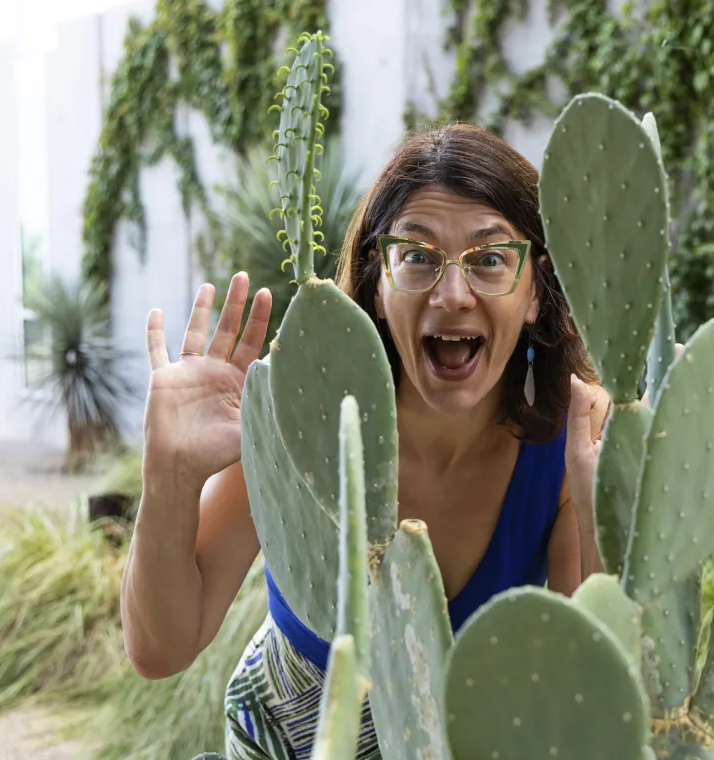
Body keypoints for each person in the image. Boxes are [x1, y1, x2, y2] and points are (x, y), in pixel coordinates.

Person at [119, 123, 618, 759]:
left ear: (535, 294)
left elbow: (587, 697)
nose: (453, 293)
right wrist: (170, 477)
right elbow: (161, 648)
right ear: (376, 286)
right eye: (417, 256)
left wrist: (613, 514)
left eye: (491, 259)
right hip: (285, 740)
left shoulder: (574, 436)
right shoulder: (306, 413)